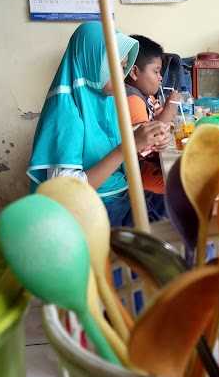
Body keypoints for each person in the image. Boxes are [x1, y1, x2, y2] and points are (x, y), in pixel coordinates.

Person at [27, 22, 170, 226]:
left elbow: (117, 142)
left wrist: (148, 140)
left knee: (185, 208)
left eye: (123, 67)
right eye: (117, 67)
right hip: (89, 211)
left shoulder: (106, 99)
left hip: (121, 196)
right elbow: (66, 194)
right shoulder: (66, 111)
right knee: (172, 227)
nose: (122, 76)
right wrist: (127, 147)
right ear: (92, 61)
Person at [126, 35, 180, 200]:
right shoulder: (132, 99)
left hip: (149, 166)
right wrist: (171, 107)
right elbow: (148, 144)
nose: (160, 77)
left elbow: (157, 117)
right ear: (135, 72)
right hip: (139, 175)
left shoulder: (146, 96)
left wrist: (164, 110)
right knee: (186, 190)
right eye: (156, 71)